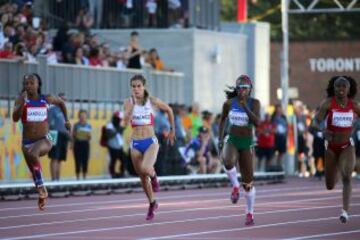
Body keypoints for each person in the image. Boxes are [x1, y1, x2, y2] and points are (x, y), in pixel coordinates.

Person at [12, 73, 70, 210]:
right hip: (26, 142)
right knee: (34, 171)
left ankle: (42, 188)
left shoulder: (46, 99)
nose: (29, 86)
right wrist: (23, 104)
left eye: (32, 83)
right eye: (26, 83)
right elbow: (15, 118)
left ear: (38, 85)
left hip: (45, 138)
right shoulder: (21, 100)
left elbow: (61, 103)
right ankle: (42, 195)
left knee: (33, 154)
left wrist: (67, 120)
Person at [123, 74, 175, 220]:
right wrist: (129, 111)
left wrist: (173, 130)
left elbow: (169, 110)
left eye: (138, 86)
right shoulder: (128, 102)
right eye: (133, 86)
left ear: (144, 86)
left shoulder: (152, 101)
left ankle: (155, 177)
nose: (136, 89)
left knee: (147, 169)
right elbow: (124, 122)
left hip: (150, 141)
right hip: (135, 143)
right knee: (142, 176)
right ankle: (152, 203)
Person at [311, 76, 359, 223]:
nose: (341, 89)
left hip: (347, 146)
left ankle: (345, 211)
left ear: (349, 89)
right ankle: (337, 168)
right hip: (331, 147)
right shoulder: (327, 104)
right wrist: (322, 130)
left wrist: (356, 127)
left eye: (344, 87)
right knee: (330, 185)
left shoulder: (354, 105)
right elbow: (314, 122)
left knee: (347, 177)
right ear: (334, 88)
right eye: (338, 87)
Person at [218, 74, 260, 225]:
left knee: (248, 184)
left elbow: (257, 122)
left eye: (245, 88)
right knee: (227, 160)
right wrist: (220, 139)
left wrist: (245, 106)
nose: (242, 90)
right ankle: (235, 185)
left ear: (250, 90)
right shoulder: (229, 103)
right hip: (233, 138)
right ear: (237, 89)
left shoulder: (254, 103)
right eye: (240, 88)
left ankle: (250, 213)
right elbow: (222, 120)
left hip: (247, 141)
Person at [48, 93, 70, 181]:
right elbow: (48, 124)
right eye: (62, 99)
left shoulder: (65, 111)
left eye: (65, 100)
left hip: (64, 135)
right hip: (54, 134)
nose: (63, 101)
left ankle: (58, 180)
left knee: (60, 159)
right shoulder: (52, 110)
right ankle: (53, 180)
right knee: (54, 157)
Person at [72, 109, 92, 180]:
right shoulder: (76, 125)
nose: (83, 117)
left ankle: (84, 177)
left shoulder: (88, 125)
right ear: (79, 116)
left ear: (86, 116)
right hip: (77, 144)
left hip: (85, 144)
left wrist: (87, 135)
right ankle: (78, 178)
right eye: (81, 116)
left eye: (84, 116)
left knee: (85, 160)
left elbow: (89, 137)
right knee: (77, 161)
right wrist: (77, 134)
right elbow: (73, 135)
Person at [106, 111, 125, 178]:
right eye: (119, 119)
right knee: (113, 160)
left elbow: (120, 133)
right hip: (112, 146)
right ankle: (112, 174)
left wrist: (121, 129)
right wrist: (117, 130)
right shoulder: (110, 125)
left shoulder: (119, 125)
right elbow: (109, 135)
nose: (120, 120)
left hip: (119, 146)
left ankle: (121, 172)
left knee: (123, 159)